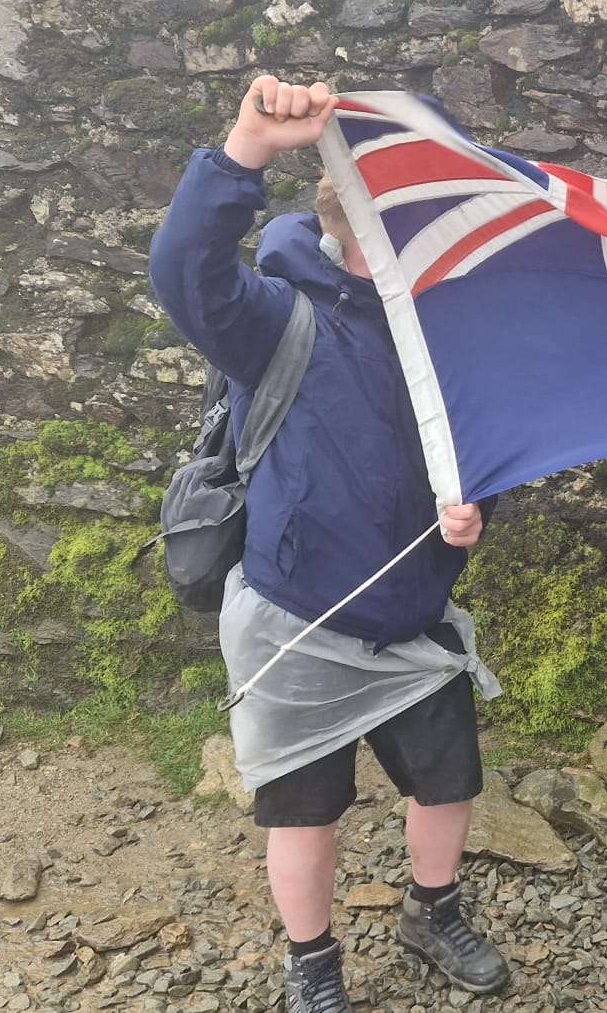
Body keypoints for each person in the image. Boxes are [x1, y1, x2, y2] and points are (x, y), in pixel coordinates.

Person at [149, 75, 510, 1012]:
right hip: (296, 617)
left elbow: (468, 444)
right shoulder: (273, 318)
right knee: (304, 812)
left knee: (447, 786)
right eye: (390, 236)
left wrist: (472, 511)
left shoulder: (444, 326)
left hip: (412, 611)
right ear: (340, 229)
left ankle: (432, 912)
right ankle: (313, 965)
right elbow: (183, 269)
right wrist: (246, 150)